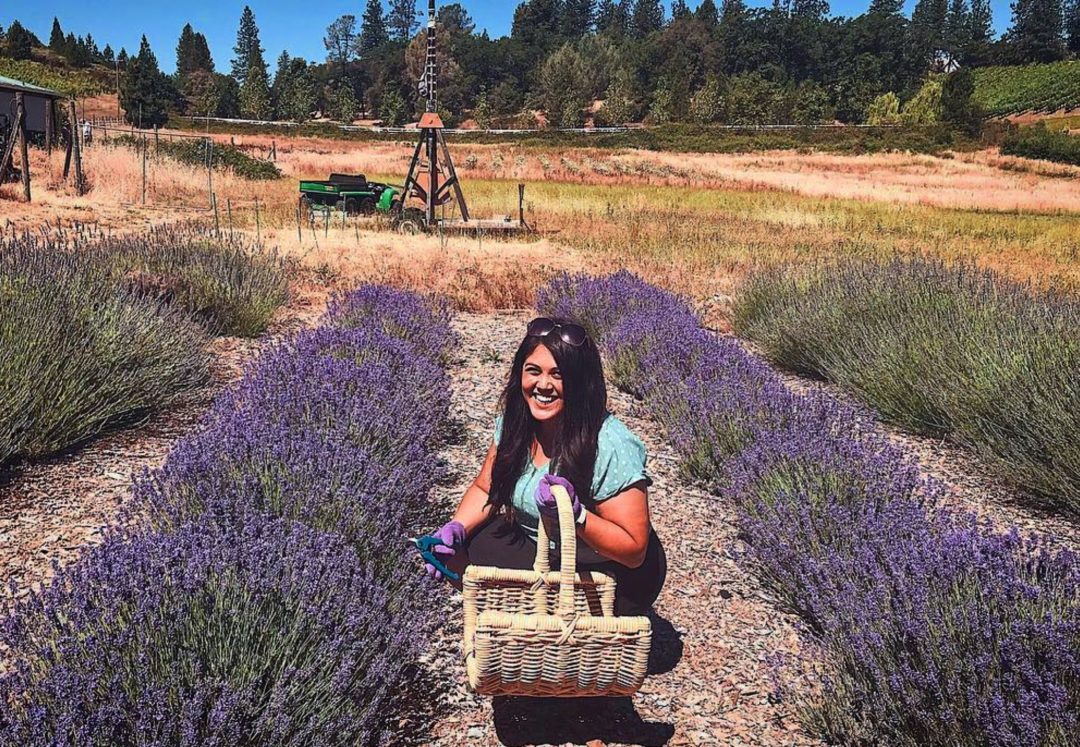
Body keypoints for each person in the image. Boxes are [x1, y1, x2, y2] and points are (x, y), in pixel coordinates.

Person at [418, 317, 666, 616]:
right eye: (533, 371)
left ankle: (551, 626)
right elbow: (486, 487)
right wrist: (456, 529)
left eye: (558, 375)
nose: (543, 385)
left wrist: (577, 517)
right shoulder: (516, 424)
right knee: (465, 549)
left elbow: (634, 549)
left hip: (607, 570)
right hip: (543, 553)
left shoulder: (611, 444)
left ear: (581, 383)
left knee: (511, 584)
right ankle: (532, 623)